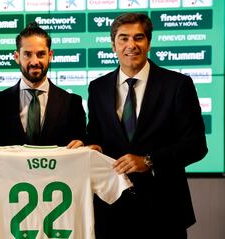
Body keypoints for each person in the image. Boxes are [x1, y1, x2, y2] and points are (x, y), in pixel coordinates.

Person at [87, 13, 208, 239]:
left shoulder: (178, 85)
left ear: (149, 43)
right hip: (111, 210)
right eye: (123, 38)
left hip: (164, 210)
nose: (131, 45)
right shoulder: (97, 88)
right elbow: (96, 136)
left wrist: (149, 160)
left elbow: (196, 146)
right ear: (113, 45)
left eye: (138, 38)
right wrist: (91, 147)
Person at [0, 22, 86, 148]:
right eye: (28, 54)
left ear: (50, 56)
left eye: (41, 54)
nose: (34, 62)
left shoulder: (72, 103)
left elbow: (84, 143)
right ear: (17, 57)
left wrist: (83, 143)